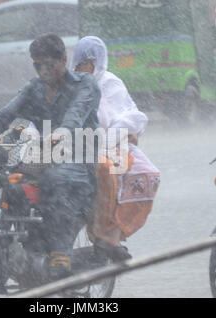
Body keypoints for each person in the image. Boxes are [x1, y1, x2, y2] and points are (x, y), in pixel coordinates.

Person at [0, 33, 101, 279]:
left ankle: (60, 251)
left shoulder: (84, 84)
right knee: (3, 182)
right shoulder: (33, 89)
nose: (43, 70)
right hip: (44, 157)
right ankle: (8, 249)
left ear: (63, 60)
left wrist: (63, 132)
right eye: (37, 65)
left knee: (55, 178)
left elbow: (76, 114)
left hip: (79, 161)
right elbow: (6, 114)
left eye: (48, 64)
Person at [71, 36, 160, 260]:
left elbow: (127, 117)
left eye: (91, 63)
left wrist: (119, 133)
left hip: (115, 143)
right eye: (82, 64)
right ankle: (102, 231)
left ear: (100, 63)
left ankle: (113, 233)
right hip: (82, 146)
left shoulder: (110, 83)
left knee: (146, 175)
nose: (86, 68)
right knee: (107, 170)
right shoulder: (71, 84)